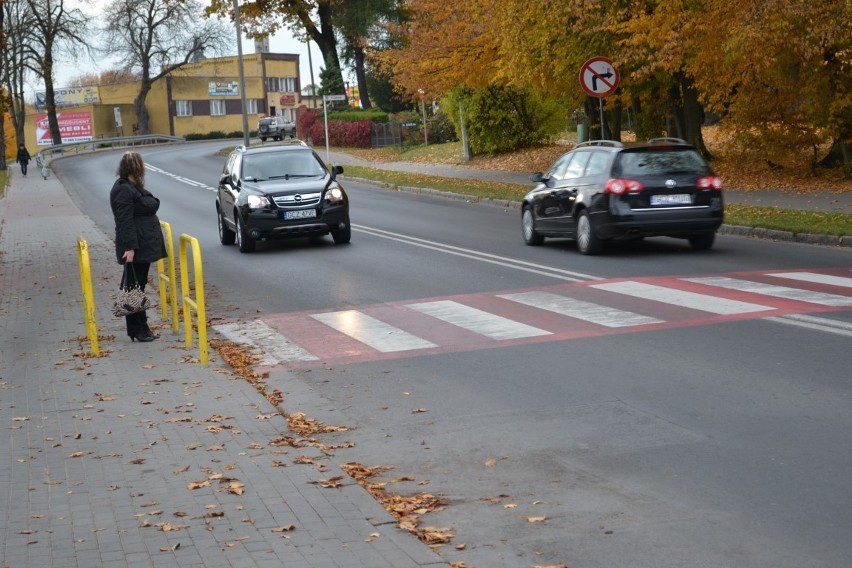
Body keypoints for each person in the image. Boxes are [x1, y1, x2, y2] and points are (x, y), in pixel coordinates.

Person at [109, 151, 167, 342]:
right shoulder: (123, 189)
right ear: (137, 168)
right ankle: (137, 330)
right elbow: (124, 220)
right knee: (134, 289)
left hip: (141, 245)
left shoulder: (132, 186)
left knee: (137, 288)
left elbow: (150, 205)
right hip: (135, 248)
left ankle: (142, 328)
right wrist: (130, 248)